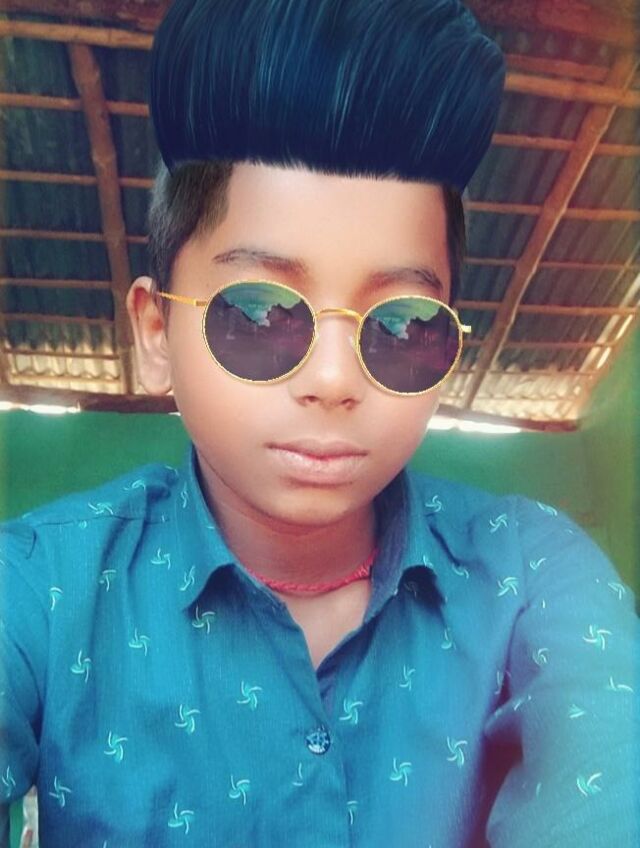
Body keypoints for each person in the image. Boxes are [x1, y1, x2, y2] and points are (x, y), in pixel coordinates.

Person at [1, 1, 638, 845]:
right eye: (260, 314)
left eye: (402, 325)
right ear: (156, 334)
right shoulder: (38, 587)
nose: (335, 382)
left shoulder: (532, 573)